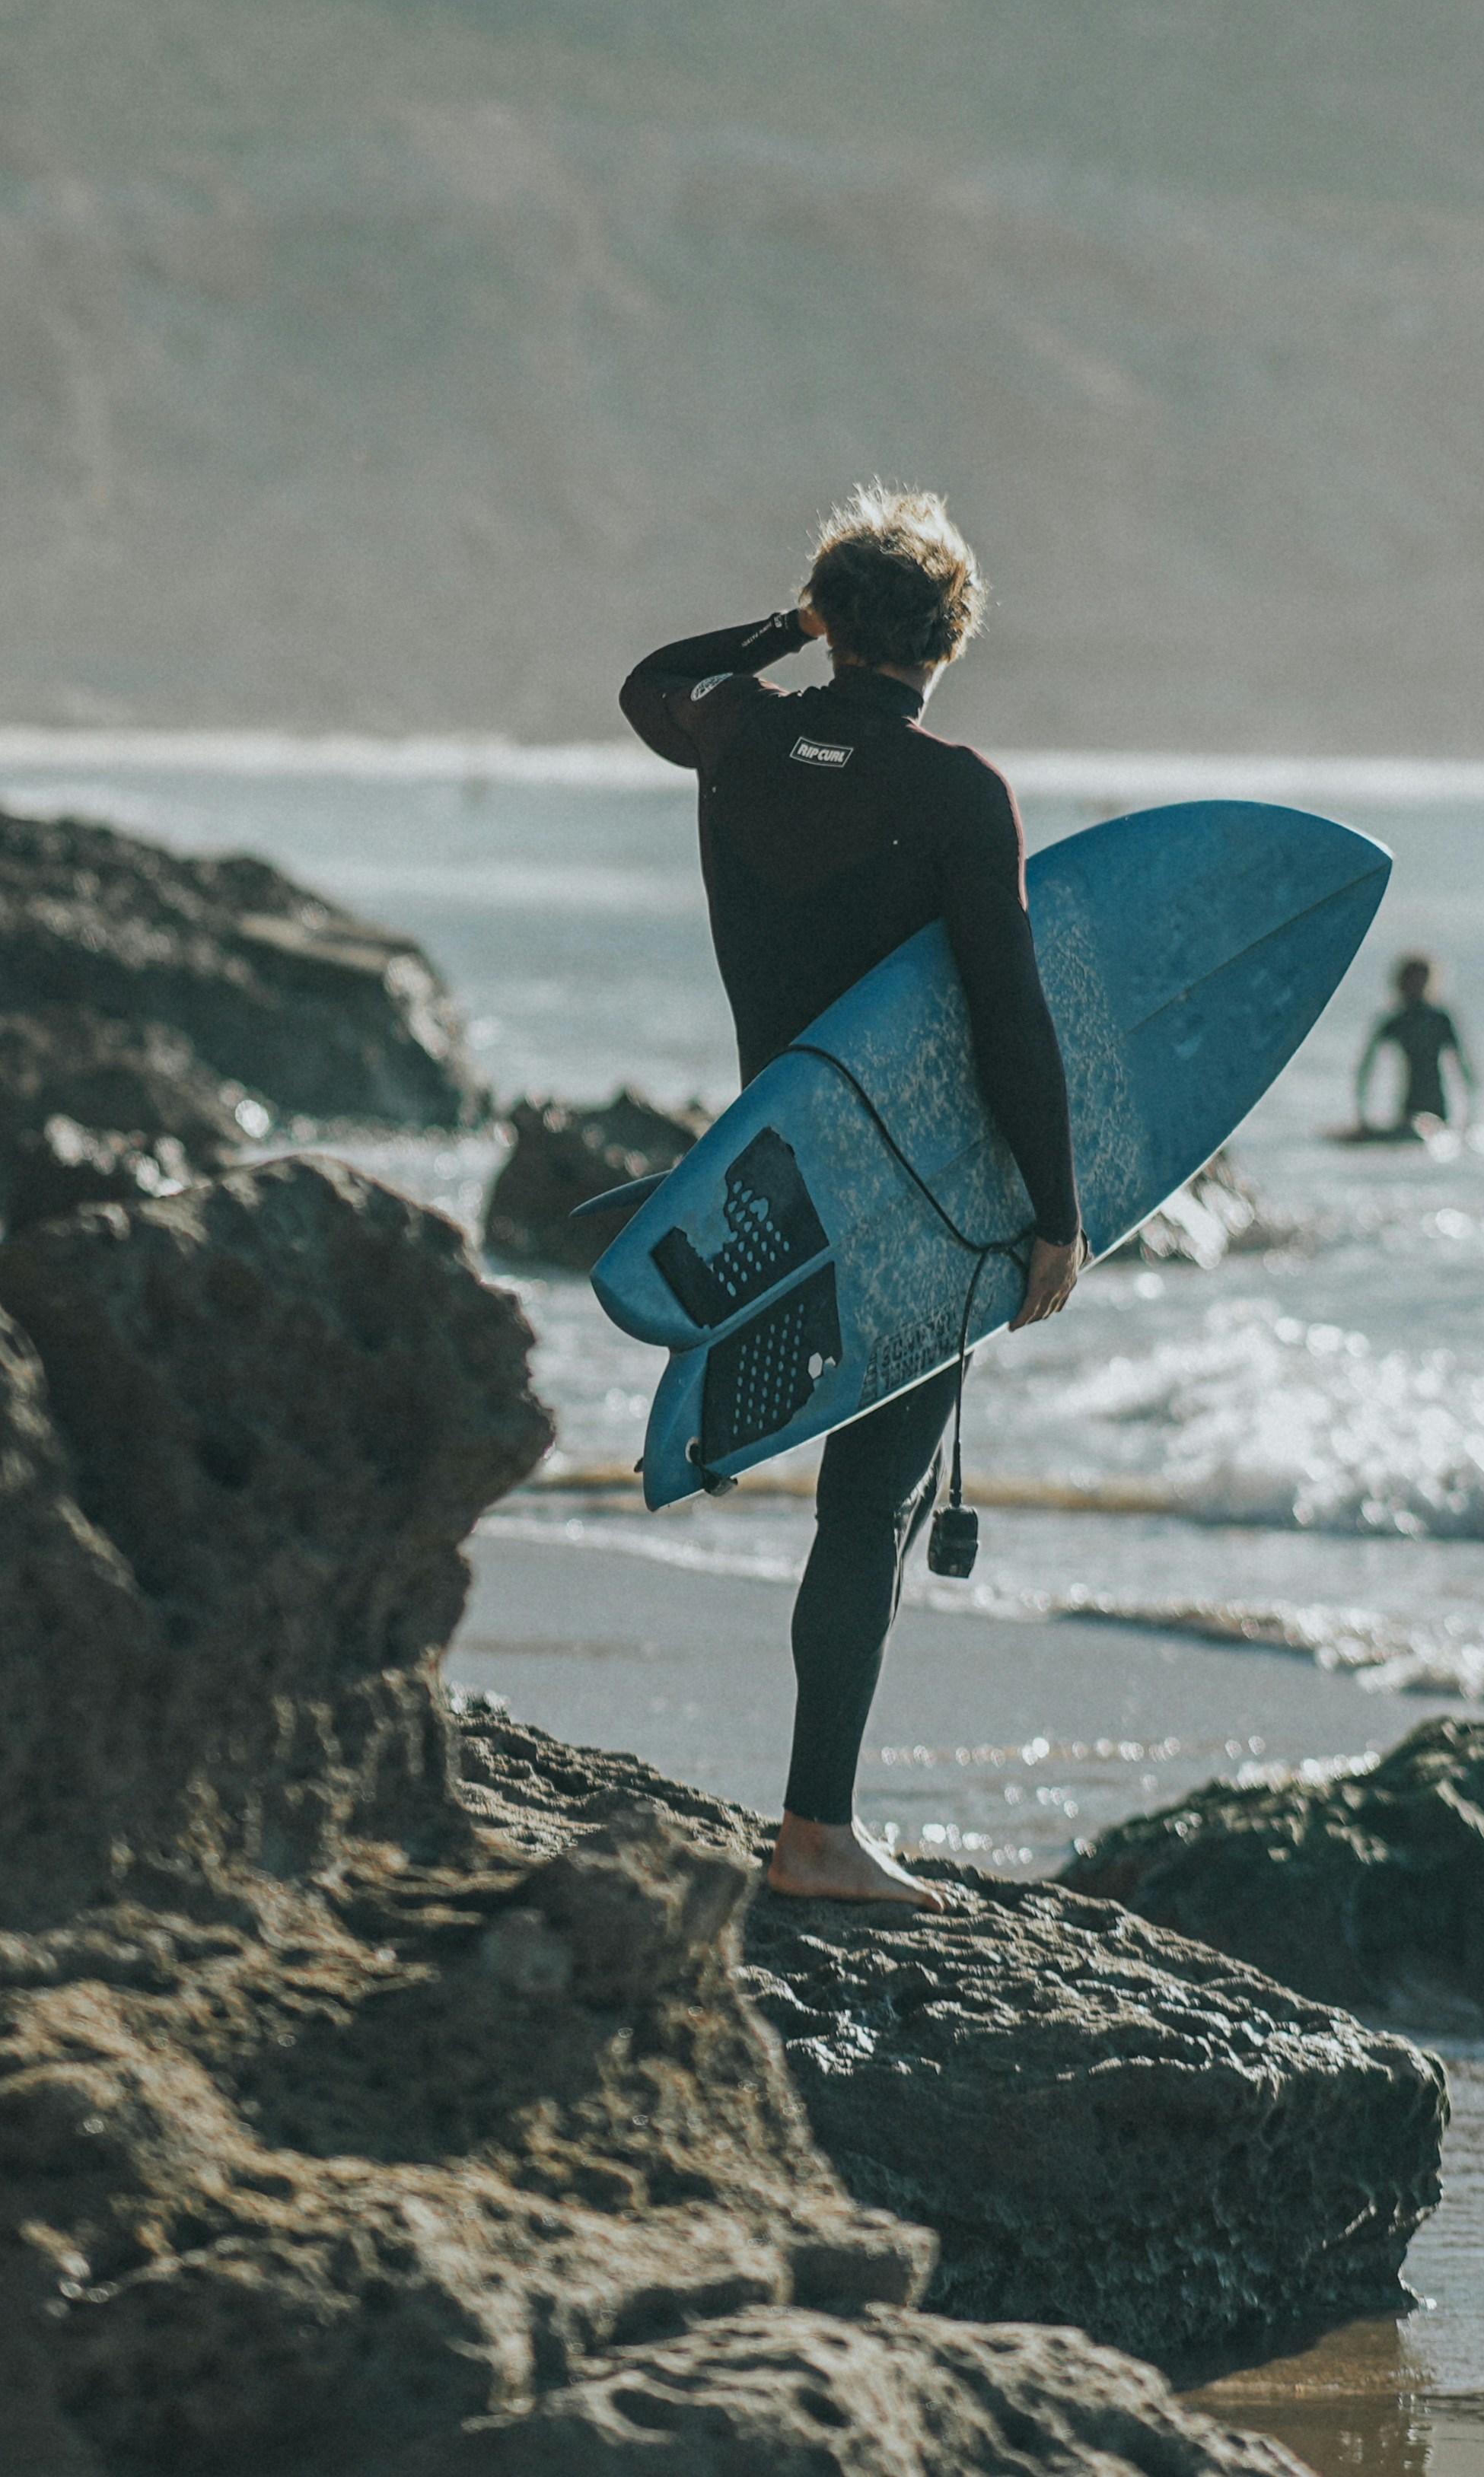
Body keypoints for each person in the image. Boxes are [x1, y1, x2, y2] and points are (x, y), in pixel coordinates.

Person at [623, 489, 1080, 1912]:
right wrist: (1058, 1210)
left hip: (782, 1162)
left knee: (856, 1499)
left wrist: (787, 627)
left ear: (829, 623)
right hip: (922, 1188)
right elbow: (1007, 1013)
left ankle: (818, 1823)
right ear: (950, 633)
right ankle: (815, 1829)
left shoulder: (739, 735)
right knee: (866, 1504)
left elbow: (652, 683)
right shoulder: (954, 791)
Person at [1353, 953, 1471, 1141]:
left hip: (1437, 1106)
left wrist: (1469, 1118)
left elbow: (1463, 1067)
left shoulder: (1439, 1019)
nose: (1415, 987)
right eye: (1411, 981)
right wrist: (1362, 1117)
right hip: (1409, 1108)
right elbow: (1366, 1069)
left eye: (1420, 981)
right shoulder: (1396, 1021)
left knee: (1423, 1134)